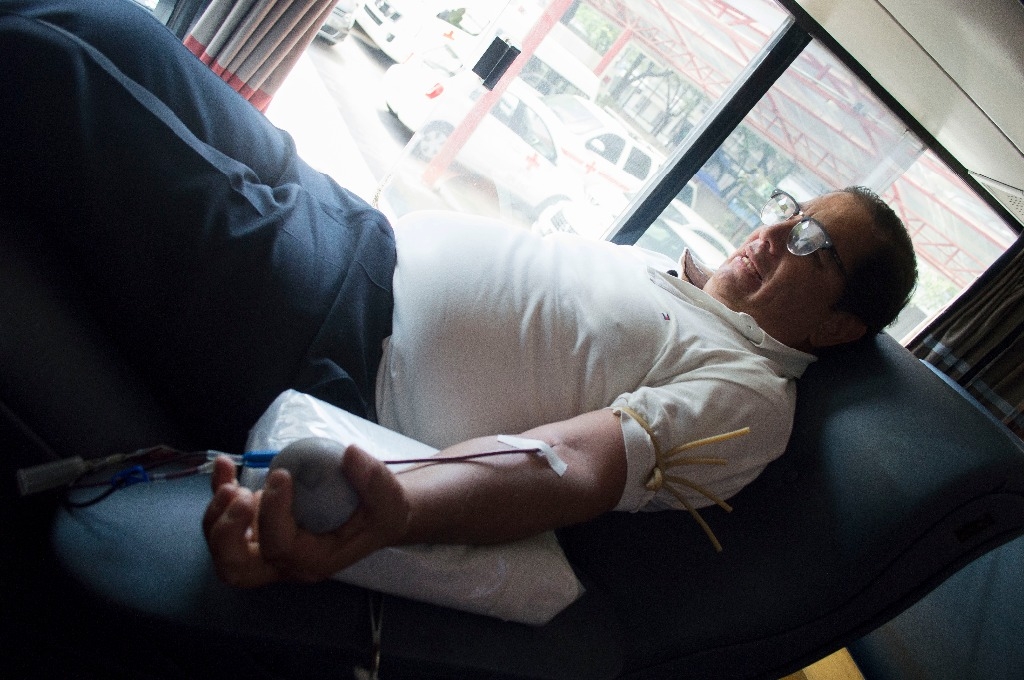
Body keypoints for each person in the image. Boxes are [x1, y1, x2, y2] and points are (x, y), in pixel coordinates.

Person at [1, 0, 917, 588]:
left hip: (338, 328)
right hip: (350, 226)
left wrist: (400, 507)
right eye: (788, 210)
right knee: (107, 25)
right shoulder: (696, 294)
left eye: (812, 244)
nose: (775, 232)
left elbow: (574, 467)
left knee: (43, 66)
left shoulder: (753, 398)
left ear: (841, 325)